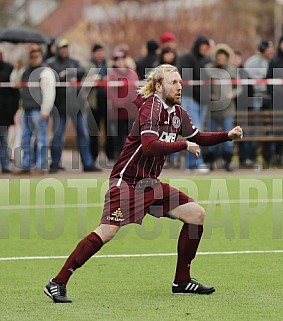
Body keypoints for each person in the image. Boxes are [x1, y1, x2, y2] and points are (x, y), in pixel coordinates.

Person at [44, 64, 243, 303]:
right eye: (173, 82)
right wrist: (183, 145)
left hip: (150, 184)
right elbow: (149, 146)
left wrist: (227, 135)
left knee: (196, 215)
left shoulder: (178, 113)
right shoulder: (150, 108)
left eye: (180, 82)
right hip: (126, 182)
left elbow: (197, 137)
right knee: (107, 231)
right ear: (158, 86)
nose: (179, 86)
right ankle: (57, 282)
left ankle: (181, 281)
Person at [47, 38, 96, 173]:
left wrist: (67, 73)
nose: (64, 50)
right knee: (57, 136)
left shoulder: (74, 61)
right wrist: (66, 75)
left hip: (76, 104)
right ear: (57, 49)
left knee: (83, 134)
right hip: (60, 105)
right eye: (62, 48)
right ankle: (55, 164)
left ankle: (87, 163)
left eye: (66, 48)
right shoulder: (51, 63)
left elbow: (81, 70)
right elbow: (53, 76)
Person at [14, 47, 55, 175]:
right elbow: (15, 83)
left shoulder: (45, 72)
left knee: (41, 138)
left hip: (39, 110)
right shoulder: (25, 71)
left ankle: (40, 166)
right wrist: (17, 69)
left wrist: (45, 109)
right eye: (31, 56)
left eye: (36, 56)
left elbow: (49, 92)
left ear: (41, 57)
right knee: (25, 139)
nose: (33, 59)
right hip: (27, 109)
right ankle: (26, 164)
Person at [204, 43, 242, 171]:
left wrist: (232, 94)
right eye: (219, 56)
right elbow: (203, 84)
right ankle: (210, 162)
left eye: (223, 56)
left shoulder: (232, 70)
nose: (221, 59)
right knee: (211, 136)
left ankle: (228, 162)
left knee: (229, 135)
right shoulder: (209, 69)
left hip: (228, 109)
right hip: (213, 109)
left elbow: (240, 87)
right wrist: (208, 94)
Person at [178, 35, 211, 173]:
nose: (205, 49)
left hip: (201, 100)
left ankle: (192, 164)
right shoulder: (187, 58)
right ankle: (196, 163)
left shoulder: (205, 60)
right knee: (194, 130)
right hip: (189, 98)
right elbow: (187, 80)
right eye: (203, 46)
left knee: (198, 131)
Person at [85, 43, 114, 169]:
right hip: (93, 102)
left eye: (102, 51)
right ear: (93, 53)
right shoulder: (88, 65)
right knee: (93, 132)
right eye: (98, 52)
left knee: (110, 131)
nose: (100, 54)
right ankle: (93, 157)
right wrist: (93, 79)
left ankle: (111, 155)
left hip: (107, 101)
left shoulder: (109, 65)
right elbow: (85, 81)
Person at [107, 50, 139, 158]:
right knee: (119, 134)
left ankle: (131, 154)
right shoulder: (111, 74)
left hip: (131, 110)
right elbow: (110, 92)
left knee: (131, 133)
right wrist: (120, 103)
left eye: (121, 60)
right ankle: (121, 155)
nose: (119, 62)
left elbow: (134, 90)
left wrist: (129, 102)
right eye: (117, 60)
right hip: (117, 111)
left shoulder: (132, 73)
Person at [0, 50, 19, 173]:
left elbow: (15, 91)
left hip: (4, 112)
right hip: (5, 111)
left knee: (4, 139)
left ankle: (5, 165)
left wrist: (13, 109)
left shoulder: (9, 68)